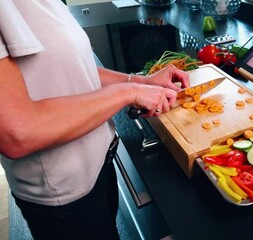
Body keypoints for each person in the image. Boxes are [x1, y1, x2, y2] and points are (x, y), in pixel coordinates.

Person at [0, 0, 189, 239]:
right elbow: (17, 132)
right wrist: (128, 93)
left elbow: (77, 68)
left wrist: (142, 82)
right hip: (65, 198)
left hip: (98, 166)